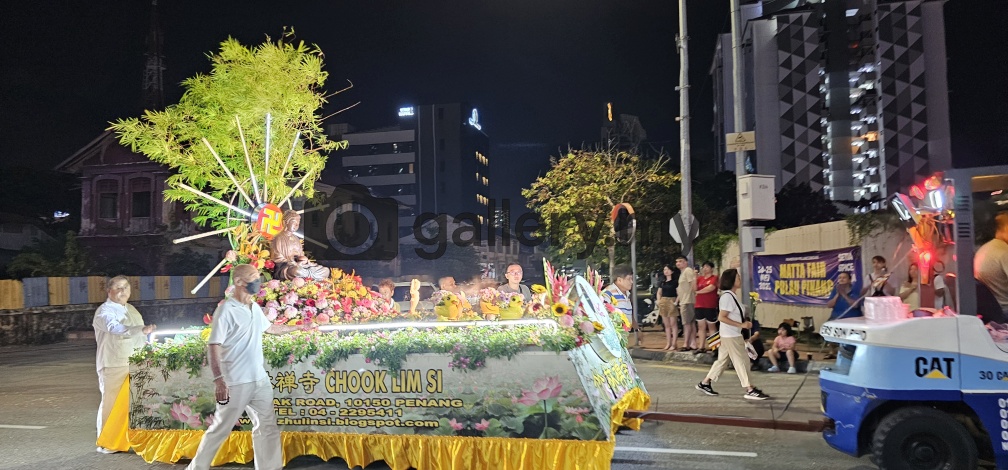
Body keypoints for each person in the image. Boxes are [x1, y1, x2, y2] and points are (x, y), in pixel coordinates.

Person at [185, 264, 312, 470]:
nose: (258, 280)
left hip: (259, 379)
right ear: (238, 281)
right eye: (253, 276)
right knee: (220, 429)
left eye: (258, 276)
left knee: (267, 426)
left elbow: (271, 328)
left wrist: (300, 327)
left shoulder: (254, 307)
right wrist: (219, 380)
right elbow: (214, 345)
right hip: (235, 382)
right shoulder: (226, 310)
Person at [93, 276, 156, 453]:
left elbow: (141, 336)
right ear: (109, 291)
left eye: (125, 287)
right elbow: (114, 328)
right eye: (118, 288)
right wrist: (140, 330)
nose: (122, 291)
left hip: (135, 361)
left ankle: (130, 439)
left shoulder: (131, 309)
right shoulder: (104, 311)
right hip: (114, 363)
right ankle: (107, 442)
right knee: (111, 403)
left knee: (135, 403)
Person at [695, 269, 771, 400]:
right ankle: (749, 389)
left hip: (729, 334)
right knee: (742, 360)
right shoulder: (727, 297)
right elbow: (722, 317)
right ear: (731, 280)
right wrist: (742, 325)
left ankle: (705, 383)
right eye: (738, 277)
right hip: (731, 335)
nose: (740, 279)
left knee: (722, 361)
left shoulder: (731, 296)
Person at [269, 210, 331, 281]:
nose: (296, 225)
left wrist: (304, 260)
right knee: (297, 271)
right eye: (294, 223)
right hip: (287, 268)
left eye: (298, 223)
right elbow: (277, 258)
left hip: (301, 266)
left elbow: (301, 255)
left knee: (325, 270)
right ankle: (309, 277)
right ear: (285, 222)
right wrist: (293, 263)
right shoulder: (278, 238)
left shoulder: (296, 239)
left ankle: (307, 276)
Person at [975, 212, 1008, 316]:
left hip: (992, 310)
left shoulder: (985, 249)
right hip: (1004, 309)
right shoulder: (1004, 252)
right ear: (1006, 228)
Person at [825, 272, 861, 360]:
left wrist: (844, 294)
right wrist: (838, 294)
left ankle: (849, 352)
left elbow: (855, 305)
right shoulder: (835, 290)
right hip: (837, 316)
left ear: (849, 280)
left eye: (844, 278)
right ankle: (832, 351)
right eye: (840, 278)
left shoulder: (855, 290)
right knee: (828, 328)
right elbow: (829, 305)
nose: (841, 279)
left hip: (851, 317)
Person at [694, 262, 719, 355]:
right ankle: (701, 347)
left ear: (712, 268)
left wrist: (698, 292)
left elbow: (711, 288)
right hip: (699, 305)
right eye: (703, 267)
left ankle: (715, 347)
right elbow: (694, 288)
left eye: (707, 267)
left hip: (710, 305)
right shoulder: (700, 278)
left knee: (711, 326)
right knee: (701, 327)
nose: (705, 268)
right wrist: (694, 277)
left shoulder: (714, 278)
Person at [654, 263, 680, 350]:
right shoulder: (662, 282)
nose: (666, 271)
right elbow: (659, 292)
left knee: (673, 324)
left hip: (672, 301)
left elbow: (679, 293)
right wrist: (659, 300)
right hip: (663, 302)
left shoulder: (675, 282)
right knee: (666, 324)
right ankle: (668, 343)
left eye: (668, 269)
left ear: (672, 271)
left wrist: (676, 302)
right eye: (665, 269)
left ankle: (674, 343)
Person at [675, 255, 698, 351]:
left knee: (686, 323)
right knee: (690, 322)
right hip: (684, 300)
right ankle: (693, 343)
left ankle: (686, 344)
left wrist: (695, 293)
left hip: (688, 300)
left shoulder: (688, 271)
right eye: (677, 262)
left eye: (680, 261)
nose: (678, 263)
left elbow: (693, 284)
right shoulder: (682, 273)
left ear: (685, 262)